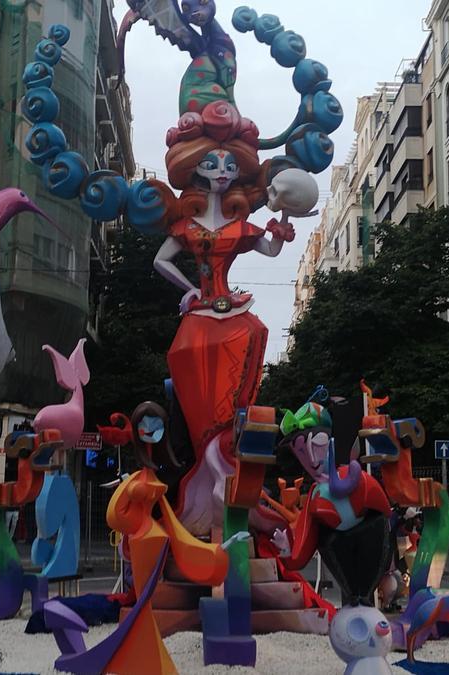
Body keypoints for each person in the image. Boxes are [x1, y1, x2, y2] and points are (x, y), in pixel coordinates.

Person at [152, 102, 307, 535]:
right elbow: (161, 261)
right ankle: (210, 467)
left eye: (227, 163)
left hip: (232, 313)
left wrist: (282, 225)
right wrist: (188, 293)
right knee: (186, 361)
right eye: (210, 162)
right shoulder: (186, 225)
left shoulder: (241, 225)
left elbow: (272, 251)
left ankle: (226, 461)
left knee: (252, 337)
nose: (220, 170)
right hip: (201, 315)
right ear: (193, 168)